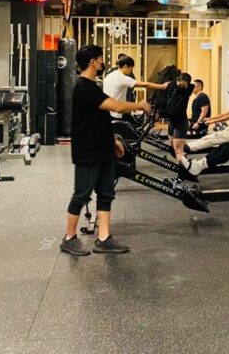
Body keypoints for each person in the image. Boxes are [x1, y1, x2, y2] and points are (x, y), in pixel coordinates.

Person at [60, 45, 151, 257]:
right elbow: (116, 107)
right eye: (100, 58)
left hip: (102, 149)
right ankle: (69, 238)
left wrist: (114, 140)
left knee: (106, 194)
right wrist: (140, 105)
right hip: (88, 152)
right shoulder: (82, 87)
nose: (103, 62)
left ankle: (103, 238)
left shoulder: (94, 86)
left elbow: (100, 119)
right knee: (81, 195)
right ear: (93, 62)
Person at [102, 56, 170, 119]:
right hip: (116, 114)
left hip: (107, 112)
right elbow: (145, 85)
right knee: (134, 125)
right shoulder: (121, 78)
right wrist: (162, 86)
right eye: (131, 68)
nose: (131, 71)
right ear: (125, 66)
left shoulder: (110, 75)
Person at [163, 72, 195, 161]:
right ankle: (181, 161)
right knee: (173, 147)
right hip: (171, 122)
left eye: (183, 86)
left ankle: (184, 167)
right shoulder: (172, 87)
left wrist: (163, 114)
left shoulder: (185, 92)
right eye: (179, 85)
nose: (180, 87)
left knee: (178, 149)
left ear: (187, 85)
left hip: (180, 122)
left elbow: (176, 108)